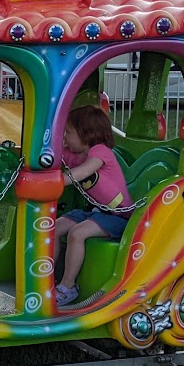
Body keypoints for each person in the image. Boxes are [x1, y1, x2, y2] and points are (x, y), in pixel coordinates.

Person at [54, 105, 132, 307]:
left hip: (118, 217)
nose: (65, 136)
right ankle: (45, 279)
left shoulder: (100, 152)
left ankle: (68, 286)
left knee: (77, 233)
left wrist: (52, 183)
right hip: (95, 211)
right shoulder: (73, 153)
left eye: (69, 132)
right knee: (53, 228)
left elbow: (83, 172)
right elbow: (52, 156)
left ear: (86, 134)